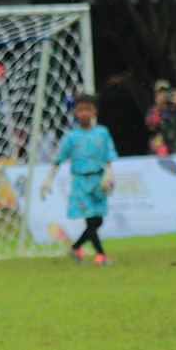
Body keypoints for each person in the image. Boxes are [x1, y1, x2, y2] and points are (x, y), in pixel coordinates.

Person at [40, 94, 117, 265]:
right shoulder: (71, 137)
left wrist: (109, 173)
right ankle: (101, 255)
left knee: (98, 220)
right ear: (74, 112)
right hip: (81, 182)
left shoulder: (102, 133)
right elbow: (58, 158)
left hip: (98, 181)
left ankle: (76, 247)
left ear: (95, 111)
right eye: (81, 109)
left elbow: (108, 155)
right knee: (90, 219)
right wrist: (48, 179)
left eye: (88, 109)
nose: (84, 113)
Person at [145, 80, 176, 160]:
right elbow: (151, 125)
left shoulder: (175, 109)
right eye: (161, 93)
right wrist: (158, 108)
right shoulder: (154, 110)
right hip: (160, 150)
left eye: (166, 93)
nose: (164, 96)